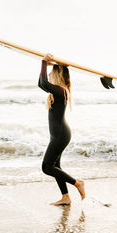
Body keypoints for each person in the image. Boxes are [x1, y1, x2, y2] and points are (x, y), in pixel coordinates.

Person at [38, 53, 85, 206]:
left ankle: (77, 183)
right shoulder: (58, 91)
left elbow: (42, 83)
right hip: (58, 135)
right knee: (55, 167)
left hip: (60, 135)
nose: (49, 74)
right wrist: (49, 64)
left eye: (52, 72)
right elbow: (43, 81)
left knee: (46, 167)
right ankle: (66, 197)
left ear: (57, 75)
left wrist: (44, 62)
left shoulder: (60, 90)